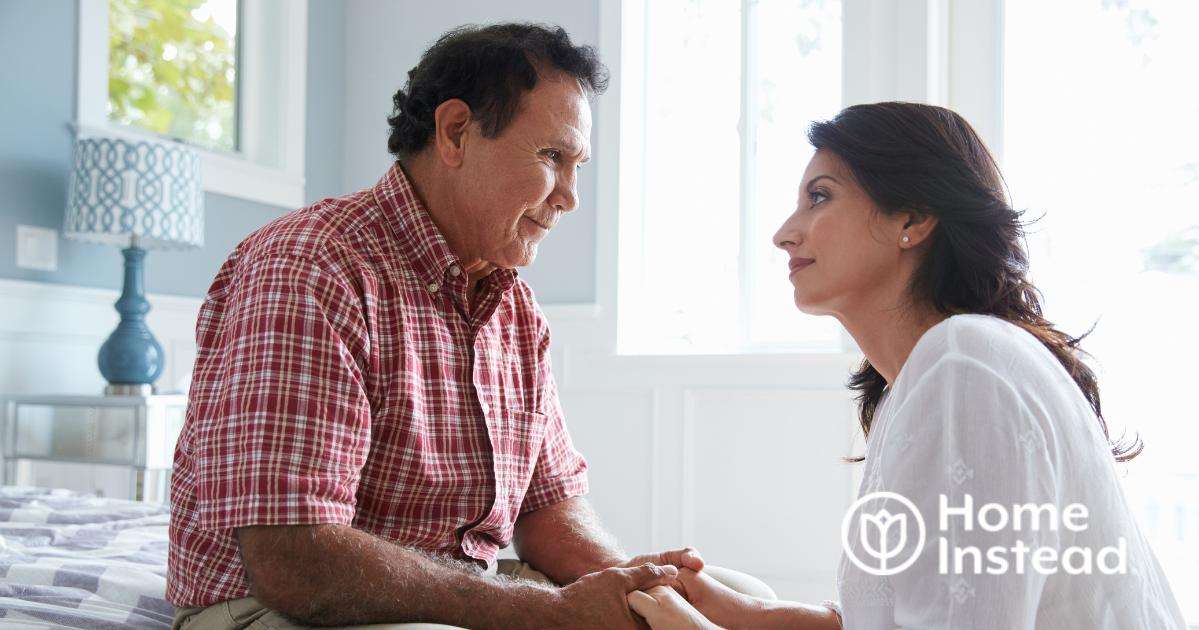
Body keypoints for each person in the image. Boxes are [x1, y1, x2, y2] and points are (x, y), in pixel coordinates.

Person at [166, 23, 772, 630]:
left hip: (445, 595)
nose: (570, 197)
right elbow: (293, 561)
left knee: (728, 591)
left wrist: (639, 593)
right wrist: (552, 613)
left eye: (577, 164)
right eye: (551, 156)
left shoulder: (515, 307)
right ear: (455, 132)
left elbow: (548, 510)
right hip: (269, 607)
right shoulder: (311, 269)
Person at [624, 102, 1188, 629]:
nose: (784, 233)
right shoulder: (929, 377)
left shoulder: (966, 368)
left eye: (819, 197)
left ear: (913, 219)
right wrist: (750, 613)